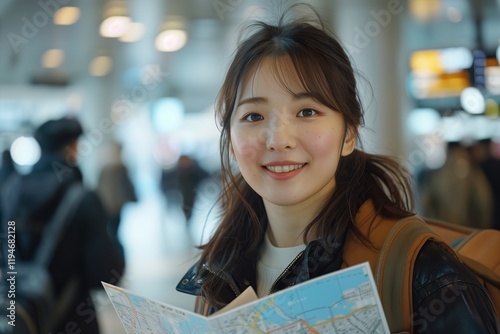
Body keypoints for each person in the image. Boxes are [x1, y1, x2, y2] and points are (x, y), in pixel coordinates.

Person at [176, 4, 498, 333]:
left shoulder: (425, 276)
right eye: (253, 116)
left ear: (349, 133)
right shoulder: (218, 272)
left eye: (307, 112)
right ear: (231, 140)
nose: (278, 140)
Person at [1, 117, 125, 333]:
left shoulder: (9, 192)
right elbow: (106, 274)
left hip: (20, 315)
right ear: (72, 147)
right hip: (73, 318)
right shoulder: (83, 199)